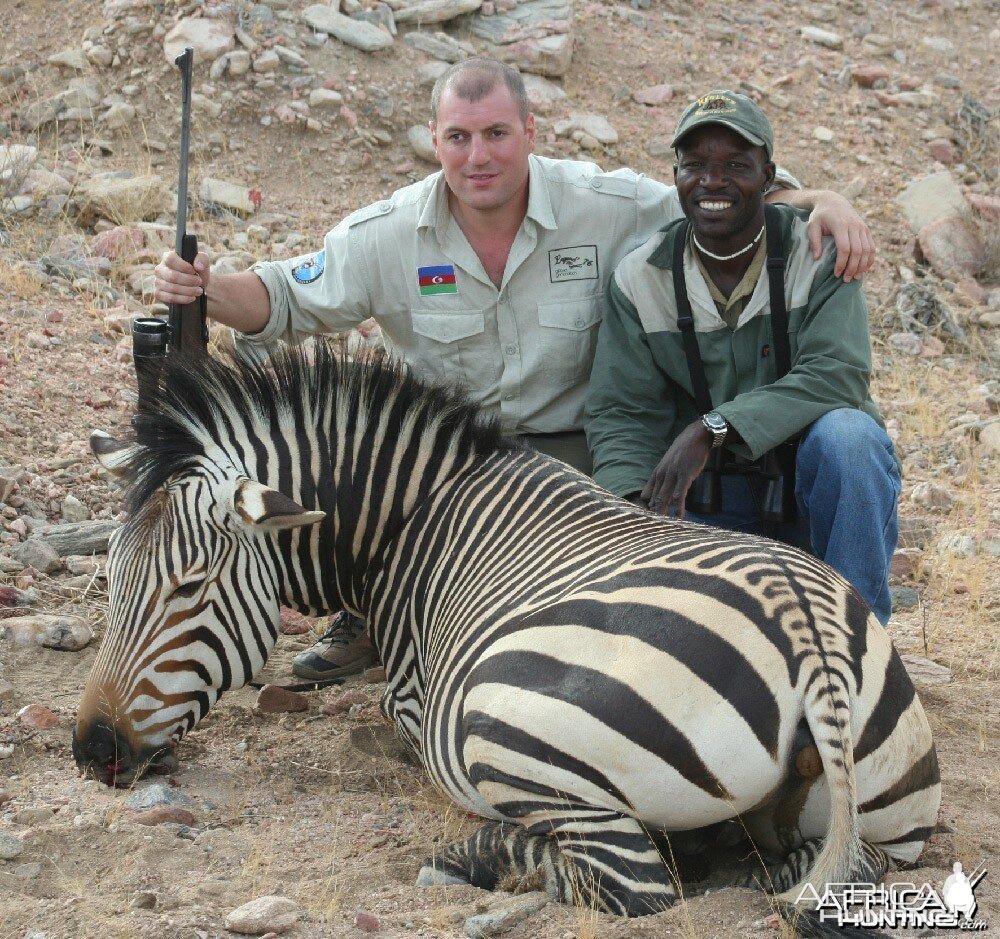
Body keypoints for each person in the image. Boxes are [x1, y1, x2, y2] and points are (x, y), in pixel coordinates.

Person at [154, 60, 877, 679]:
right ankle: (372, 604)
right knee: (328, 457)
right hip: (454, 466)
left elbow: (721, 198)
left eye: (497, 134)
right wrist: (206, 289)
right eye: (459, 138)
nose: (479, 156)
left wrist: (828, 201)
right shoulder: (386, 234)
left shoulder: (607, 205)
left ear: (530, 134)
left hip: (574, 457)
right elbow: (282, 298)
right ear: (434, 141)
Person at [585, 90, 899, 624]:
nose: (712, 181)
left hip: (805, 488)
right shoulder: (640, 276)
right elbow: (622, 413)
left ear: (768, 175)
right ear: (677, 175)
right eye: (696, 165)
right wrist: (634, 508)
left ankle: (861, 638)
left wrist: (713, 427)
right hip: (705, 505)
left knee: (852, 438)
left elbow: (837, 375)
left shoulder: (821, 252)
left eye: (736, 165)